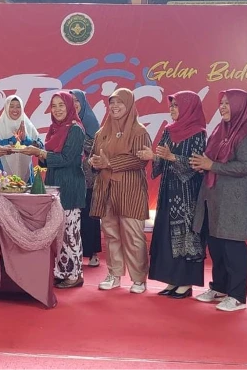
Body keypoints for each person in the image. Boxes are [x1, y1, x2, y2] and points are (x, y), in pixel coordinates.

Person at [138, 91, 207, 299]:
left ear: (188, 107)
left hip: (187, 195)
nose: (172, 109)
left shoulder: (198, 133)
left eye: (176, 105)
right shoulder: (168, 130)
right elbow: (161, 157)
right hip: (168, 190)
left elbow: (197, 165)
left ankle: (185, 283)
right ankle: (172, 279)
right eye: (171, 105)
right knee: (167, 234)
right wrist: (154, 157)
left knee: (185, 237)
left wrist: (172, 157)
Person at [190, 89, 247, 312]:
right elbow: (210, 158)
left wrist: (212, 166)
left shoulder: (245, 134)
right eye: (221, 103)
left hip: (235, 201)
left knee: (233, 247)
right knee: (216, 245)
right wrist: (202, 164)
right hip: (213, 198)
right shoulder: (220, 129)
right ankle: (220, 288)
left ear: (239, 105)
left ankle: (237, 296)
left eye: (228, 103)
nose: (223, 107)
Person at [20, 91, 86, 288]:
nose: (57, 109)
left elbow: (67, 159)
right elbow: (48, 158)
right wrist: (37, 150)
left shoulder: (76, 129)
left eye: (61, 105)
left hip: (70, 185)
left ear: (70, 107)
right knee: (58, 231)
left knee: (70, 231)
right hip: (54, 183)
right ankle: (62, 271)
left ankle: (75, 275)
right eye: (54, 105)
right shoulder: (55, 129)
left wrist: (41, 153)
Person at [89, 88, 151, 294]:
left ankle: (139, 278)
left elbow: (140, 159)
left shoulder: (139, 131)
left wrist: (110, 162)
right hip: (107, 189)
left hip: (130, 190)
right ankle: (114, 274)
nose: (114, 107)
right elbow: (93, 156)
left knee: (133, 236)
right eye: (112, 102)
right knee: (111, 234)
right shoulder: (102, 131)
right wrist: (94, 162)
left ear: (129, 105)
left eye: (119, 103)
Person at [70, 89, 101, 267]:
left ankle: (93, 252)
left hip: (88, 176)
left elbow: (96, 146)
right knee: (73, 215)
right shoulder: (65, 122)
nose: (74, 104)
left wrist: (78, 140)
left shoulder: (90, 121)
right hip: (70, 176)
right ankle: (75, 251)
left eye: (77, 101)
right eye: (71, 100)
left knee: (90, 214)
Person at [0, 95, 43, 184]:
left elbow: (40, 146)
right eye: (11, 106)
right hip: (2, 169)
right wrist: (14, 138)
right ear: (6, 108)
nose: (15, 110)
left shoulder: (28, 125)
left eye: (18, 106)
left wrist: (25, 139)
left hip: (25, 170)